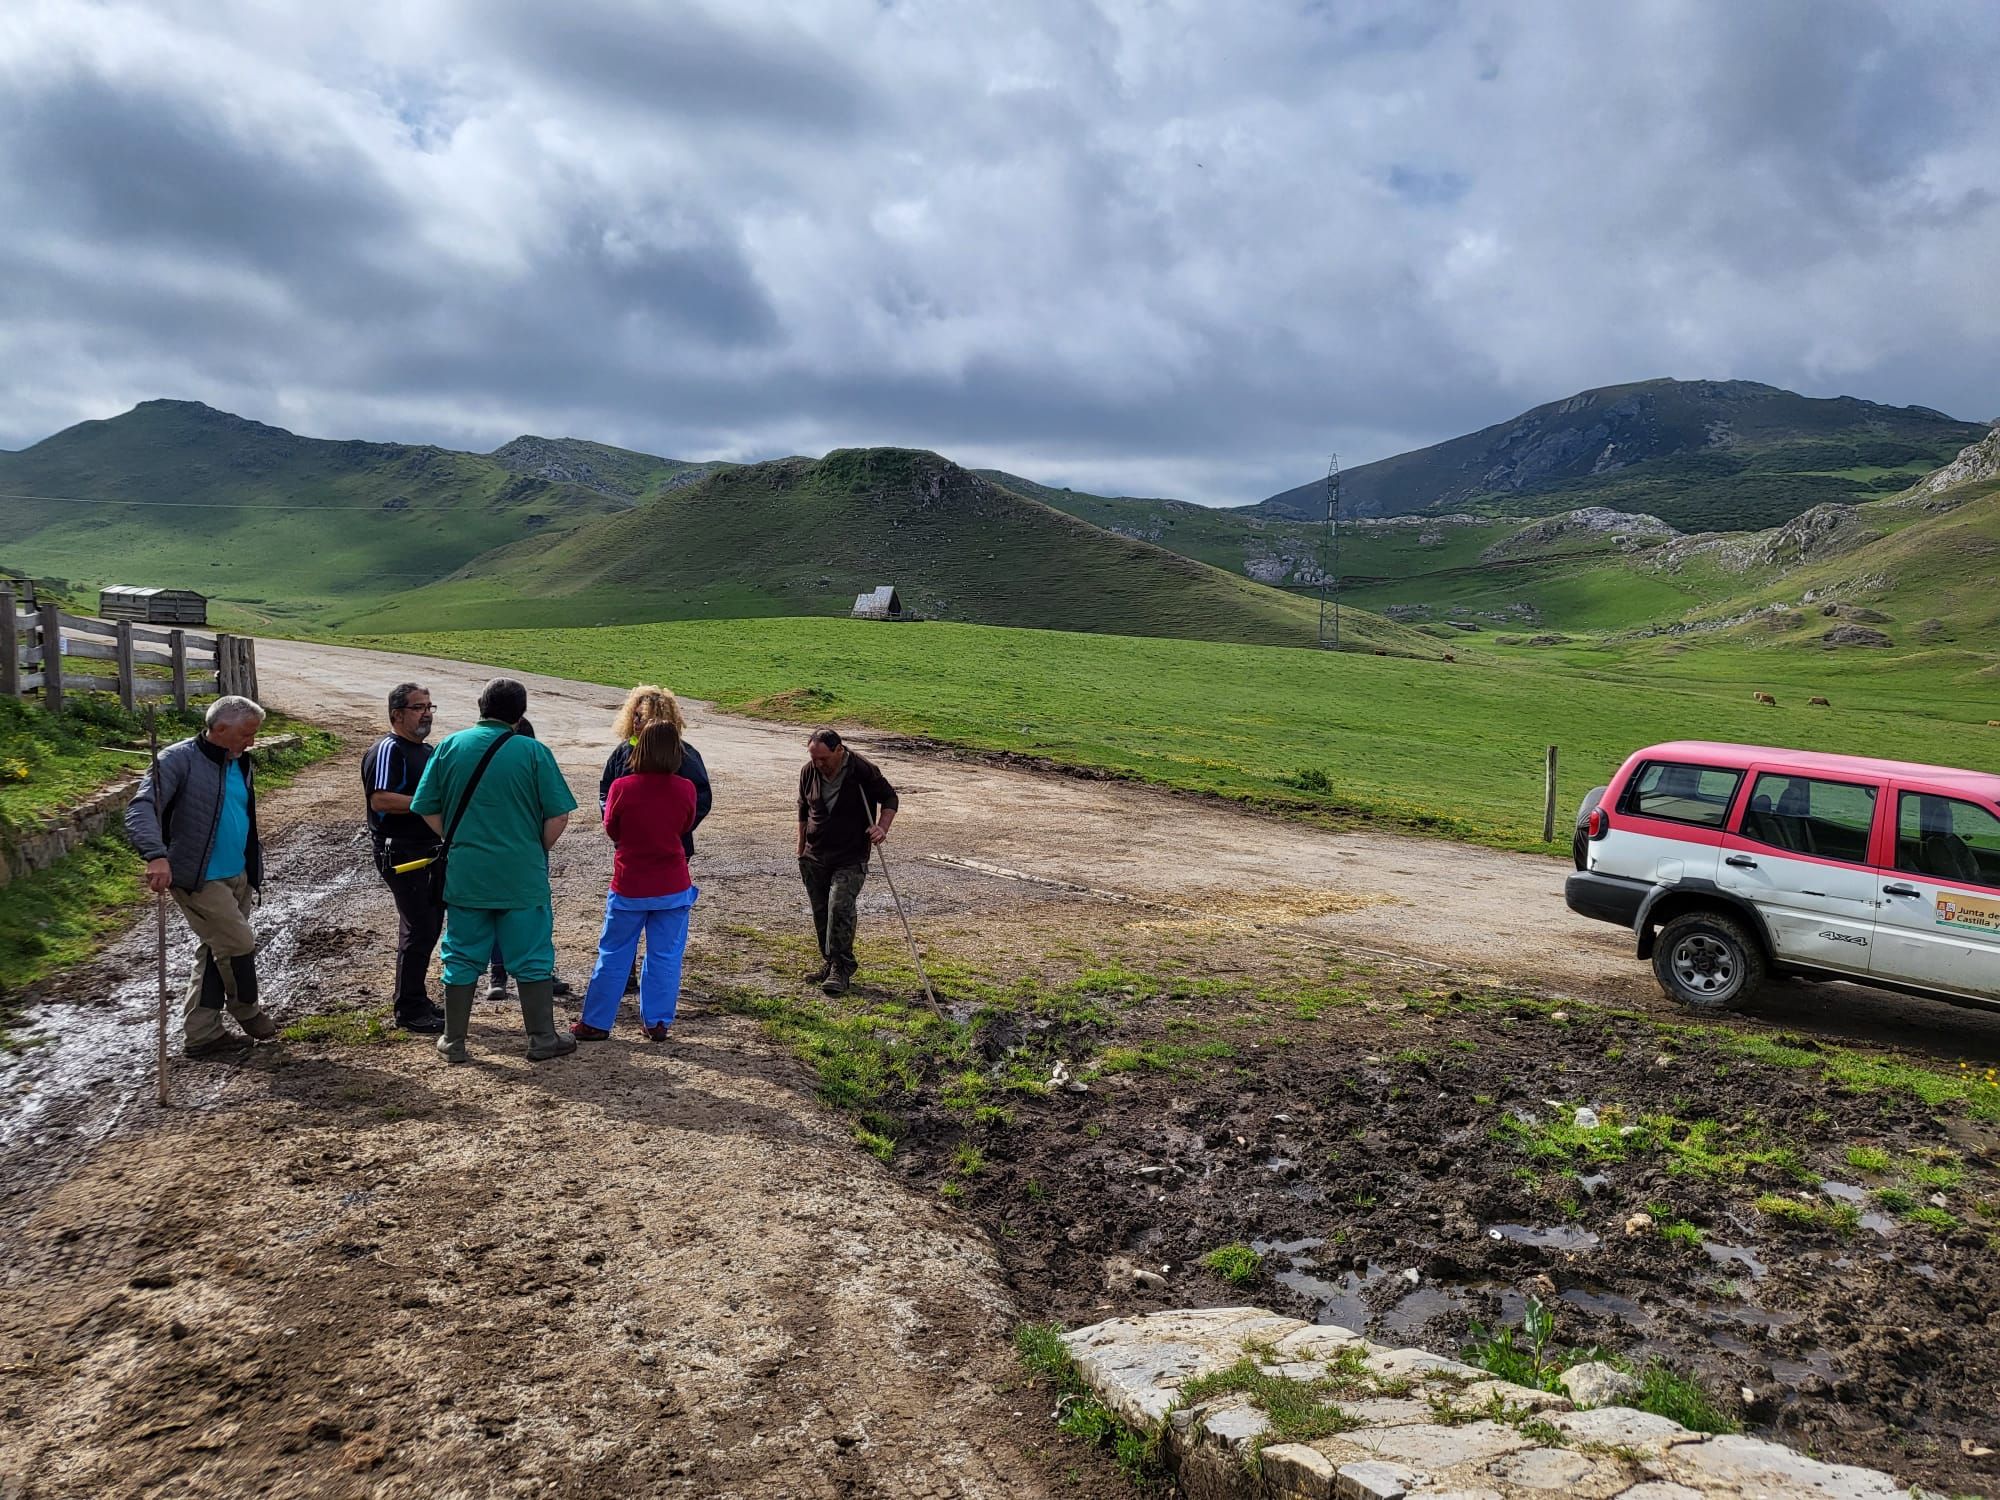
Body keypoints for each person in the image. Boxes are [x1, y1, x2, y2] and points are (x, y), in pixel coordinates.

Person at [410, 678, 578, 1063]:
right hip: (521, 874)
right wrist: (534, 849)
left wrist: (455, 839)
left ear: (480, 705)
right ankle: (541, 1039)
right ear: (519, 713)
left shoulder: (451, 746)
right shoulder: (533, 752)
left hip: (467, 872)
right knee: (533, 953)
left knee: (462, 952)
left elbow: (425, 806)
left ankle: (454, 1041)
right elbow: (558, 814)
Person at [125, 695, 279, 1058]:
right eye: (246, 734)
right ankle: (247, 1010)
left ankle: (202, 1033)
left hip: (238, 874)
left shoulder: (240, 762)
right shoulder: (176, 760)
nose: (252, 742)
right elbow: (141, 808)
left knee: (215, 950)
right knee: (239, 944)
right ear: (220, 729)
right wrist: (156, 855)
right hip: (198, 877)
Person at [573, 720, 698, 1042]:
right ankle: (657, 1021)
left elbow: (612, 829)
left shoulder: (622, 787)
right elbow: (685, 826)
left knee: (614, 953)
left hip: (630, 883)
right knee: (665, 956)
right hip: (672, 884)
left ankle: (596, 1021)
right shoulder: (686, 788)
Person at [598, 685, 712, 992]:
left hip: (670, 847)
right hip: (631, 847)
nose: (636, 722)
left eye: (642, 717)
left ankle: (655, 980)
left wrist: (673, 827)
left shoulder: (684, 755)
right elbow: (606, 792)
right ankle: (628, 973)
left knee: (658, 922)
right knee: (626, 917)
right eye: (634, 715)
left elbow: (700, 797)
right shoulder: (623, 751)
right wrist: (616, 824)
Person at [361, 682, 445, 1034]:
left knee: (428, 926)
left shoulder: (426, 751)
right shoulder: (388, 750)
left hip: (429, 851)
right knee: (419, 926)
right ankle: (408, 1008)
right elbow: (379, 799)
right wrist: (424, 804)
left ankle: (415, 998)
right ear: (396, 715)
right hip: (400, 852)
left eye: (429, 706)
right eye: (417, 707)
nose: (426, 712)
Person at [796, 727, 897, 997]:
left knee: (840, 907)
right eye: (814, 757)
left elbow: (889, 797)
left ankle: (842, 967)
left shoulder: (860, 769)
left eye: (824, 758)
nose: (818, 763)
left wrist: (882, 827)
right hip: (815, 854)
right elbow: (803, 810)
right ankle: (829, 962)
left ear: (839, 751)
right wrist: (801, 850)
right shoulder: (809, 771)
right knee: (821, 912)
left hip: (850, 854)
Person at [485, 713, 573, 1002]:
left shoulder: (490, 762)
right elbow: (558, 813)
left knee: (498, 911)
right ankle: (530, 973)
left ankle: (500, 974)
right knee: (534, 915)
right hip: (527, 853)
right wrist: (540, 847)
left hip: (494, 852)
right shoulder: (535, 761)